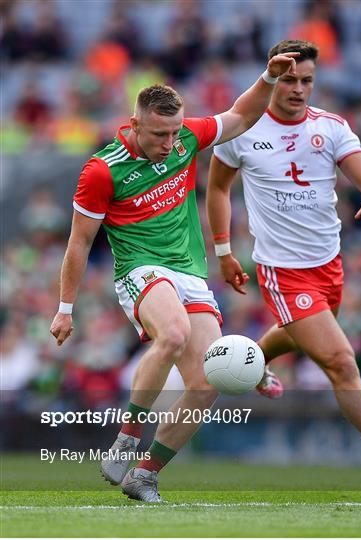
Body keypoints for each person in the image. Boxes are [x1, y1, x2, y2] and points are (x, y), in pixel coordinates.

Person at [49, 51, 299, 503]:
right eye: (159, 133)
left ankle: (146, 473)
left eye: (174, 131)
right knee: (175, 334)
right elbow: (79, 244)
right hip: (139, 269)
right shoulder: (102, 171)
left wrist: (267, 77)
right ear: (134, 124)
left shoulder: (184, 137)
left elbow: (241, 114)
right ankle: (127, 438)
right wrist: (65, 309)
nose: (170, 142)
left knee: (208, 382)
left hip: (188, 271)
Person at [207, 39, 361, 488]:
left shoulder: (331, 128)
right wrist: (224, 250)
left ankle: (251, 362)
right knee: (340, 361)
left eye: (306, 80)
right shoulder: (244, 129)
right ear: (273, 75)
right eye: (289, 79)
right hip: (281, 269)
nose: (298, 89)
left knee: (305, 334)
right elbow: (217, 190)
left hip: (329, 264)